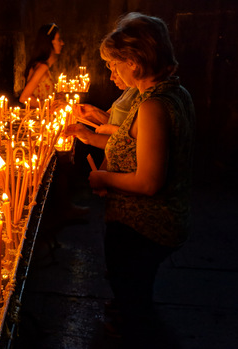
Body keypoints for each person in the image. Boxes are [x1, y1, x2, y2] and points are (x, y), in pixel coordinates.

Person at [65, 12, 195, 347]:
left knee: (131, 283)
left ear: (134, 61)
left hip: (146, 224)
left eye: (113, 64)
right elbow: (135, 145)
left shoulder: (153, 105)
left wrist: (103, 177)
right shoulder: (173, 93)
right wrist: (88, 136)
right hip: (162, 220)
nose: (111, 72)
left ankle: (132, 330)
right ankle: (130, 309)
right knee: (135, 282)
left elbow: (149, 181)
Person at [19, 23, 64, 108]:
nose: (62, 43)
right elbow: (24, 98)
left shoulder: (43, 66)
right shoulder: (42, 67)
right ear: (49, 43)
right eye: (59, 39)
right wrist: (49, 106)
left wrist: (55, 97)